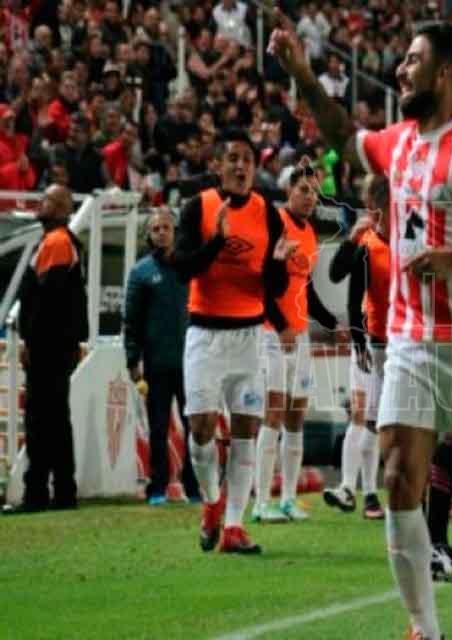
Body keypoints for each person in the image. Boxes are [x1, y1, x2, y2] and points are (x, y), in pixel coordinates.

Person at [270, 18, 452, 639]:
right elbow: (344, 132)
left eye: (412, 59)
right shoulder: (396, 142)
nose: (400, 69)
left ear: (446, 71)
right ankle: (426, 630)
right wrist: (301, 74)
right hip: (408, 341)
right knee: (398, 476)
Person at [172, 127, 295, 555]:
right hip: (205, 337)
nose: (241, 166)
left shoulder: (268, 214)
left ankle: (235, 526)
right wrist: (218, 242)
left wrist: (278, 266)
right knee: (201, 428)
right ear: (217, 165)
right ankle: (211, 502)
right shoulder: (198, 207)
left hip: (249, 337)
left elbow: (274, 286)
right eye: (233, 158)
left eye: (247, 159)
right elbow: (182, 268)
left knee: (246, 429)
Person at [252, 162, 338, 524]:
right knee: (272, 414)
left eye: (314, 192)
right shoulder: (276, 223)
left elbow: (307, 289)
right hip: (272, 333)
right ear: (289, 190)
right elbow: (263, 283)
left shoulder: (310, 234)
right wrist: (282, 325)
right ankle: (260, 502)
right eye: (303, 190)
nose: (309, 197)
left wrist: (332, 324)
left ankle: (288, 498)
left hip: (299, 335)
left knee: (296, 416)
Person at [4, 185, 86, 515]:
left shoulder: (56, 243)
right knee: (55, 419)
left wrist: (30, 340)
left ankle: (37, 492)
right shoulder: (60, 242)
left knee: (41, 421)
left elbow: (46, 300)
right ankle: (63, 491)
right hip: (57, 345)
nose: (41, 204)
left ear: (64, 208)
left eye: (48, 200)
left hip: (49, 347)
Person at [123, 208, 201, 505]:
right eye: (155, 229)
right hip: (156, 363)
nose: (161, 233)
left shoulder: (189, 268)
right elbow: (131, 321)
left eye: (166, 227)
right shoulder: (141, 273)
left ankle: (194, 487)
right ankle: (157, 488)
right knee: (157, 428)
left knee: (195, 426)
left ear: (175, 232)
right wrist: (132, 360)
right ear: (148, 235)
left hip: (191, 362)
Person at [324, 172, 390, 521]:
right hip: (369, 341)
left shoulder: (408, 238)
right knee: (364, 415)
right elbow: (339, 277)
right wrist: (350, 239)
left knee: (382, 420)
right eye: (370, 205)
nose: (373, 211)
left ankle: (372, 493)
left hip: (403, 343)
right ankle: (354, 489)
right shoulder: (366, 240)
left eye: (377, 204)